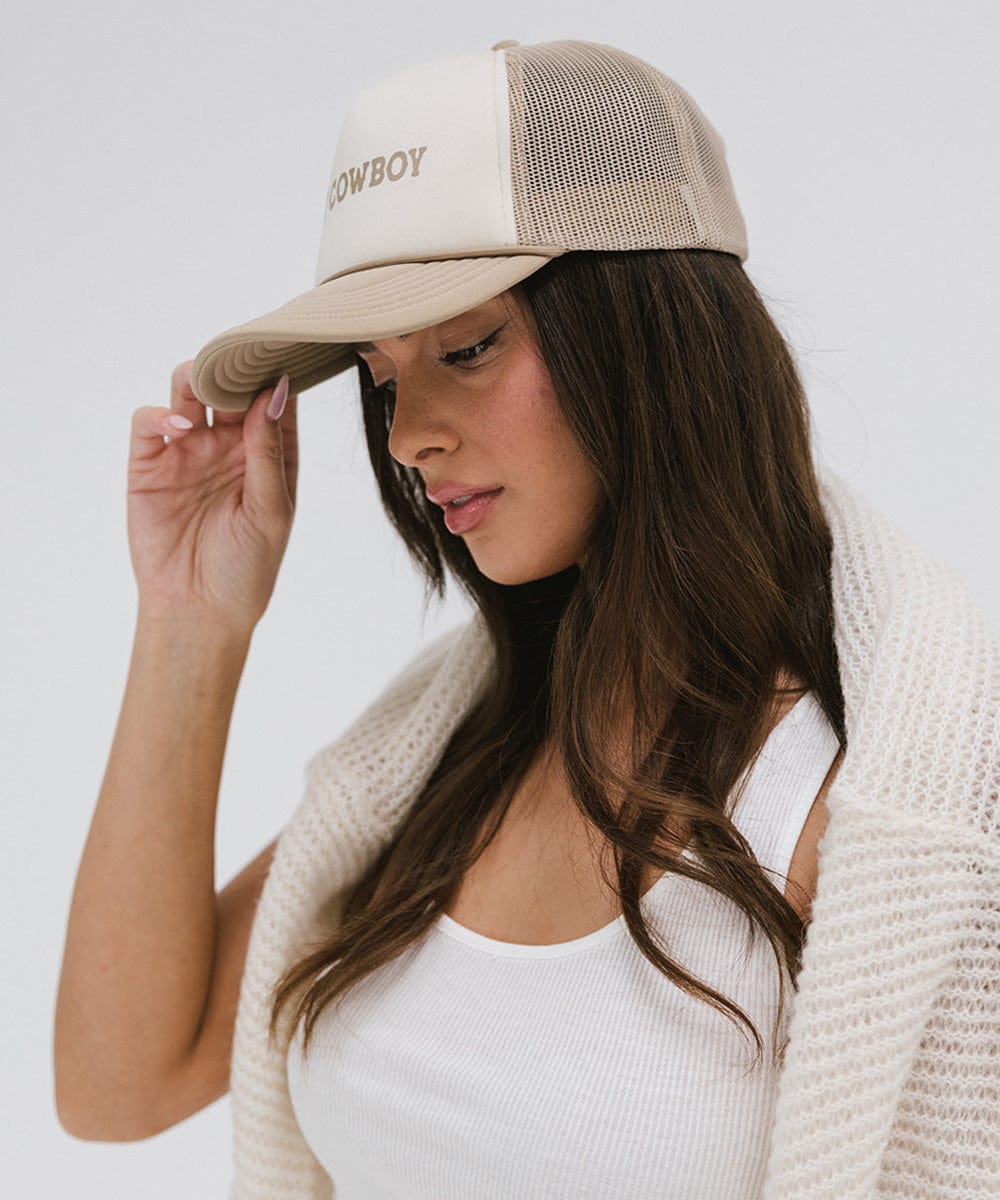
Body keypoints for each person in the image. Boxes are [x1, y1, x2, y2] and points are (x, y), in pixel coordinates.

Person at [54, 38, 999, 1200]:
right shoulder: (441, 763)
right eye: (385, 376)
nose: (406, 437)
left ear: (658, 338)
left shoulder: (887, 807)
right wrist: (190, 622)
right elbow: (117, 1084)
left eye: (467, 345)